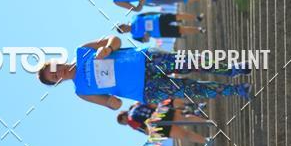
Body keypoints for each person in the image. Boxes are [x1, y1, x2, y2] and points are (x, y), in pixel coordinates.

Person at [36, 34, 251, 107]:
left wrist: (108, 48)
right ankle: (237, 90)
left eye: (54, 68)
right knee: (192, 90)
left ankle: (233, 68)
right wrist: (112, 104)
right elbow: (109, 103)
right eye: (55, 77)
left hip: (146, 59)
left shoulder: (82, 50)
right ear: (57, 82)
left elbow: (115, 39)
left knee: (190, 62)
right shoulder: (81, 91)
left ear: (56, 62)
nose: (58, 73)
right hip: (145, 90)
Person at [117, 12, 205, 42]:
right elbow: (145, 41)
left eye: (123, 27)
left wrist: (159, 13)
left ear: (124, 24)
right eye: (123, 31)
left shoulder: (134, 17)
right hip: (160, 31)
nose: (125, 29)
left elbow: (149, 13)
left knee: (177, 16)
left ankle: (197, 18)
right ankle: (199, 30)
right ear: (124, 33)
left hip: (159, 19)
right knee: (181, 30)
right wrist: (146, 36)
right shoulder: (134, 36)